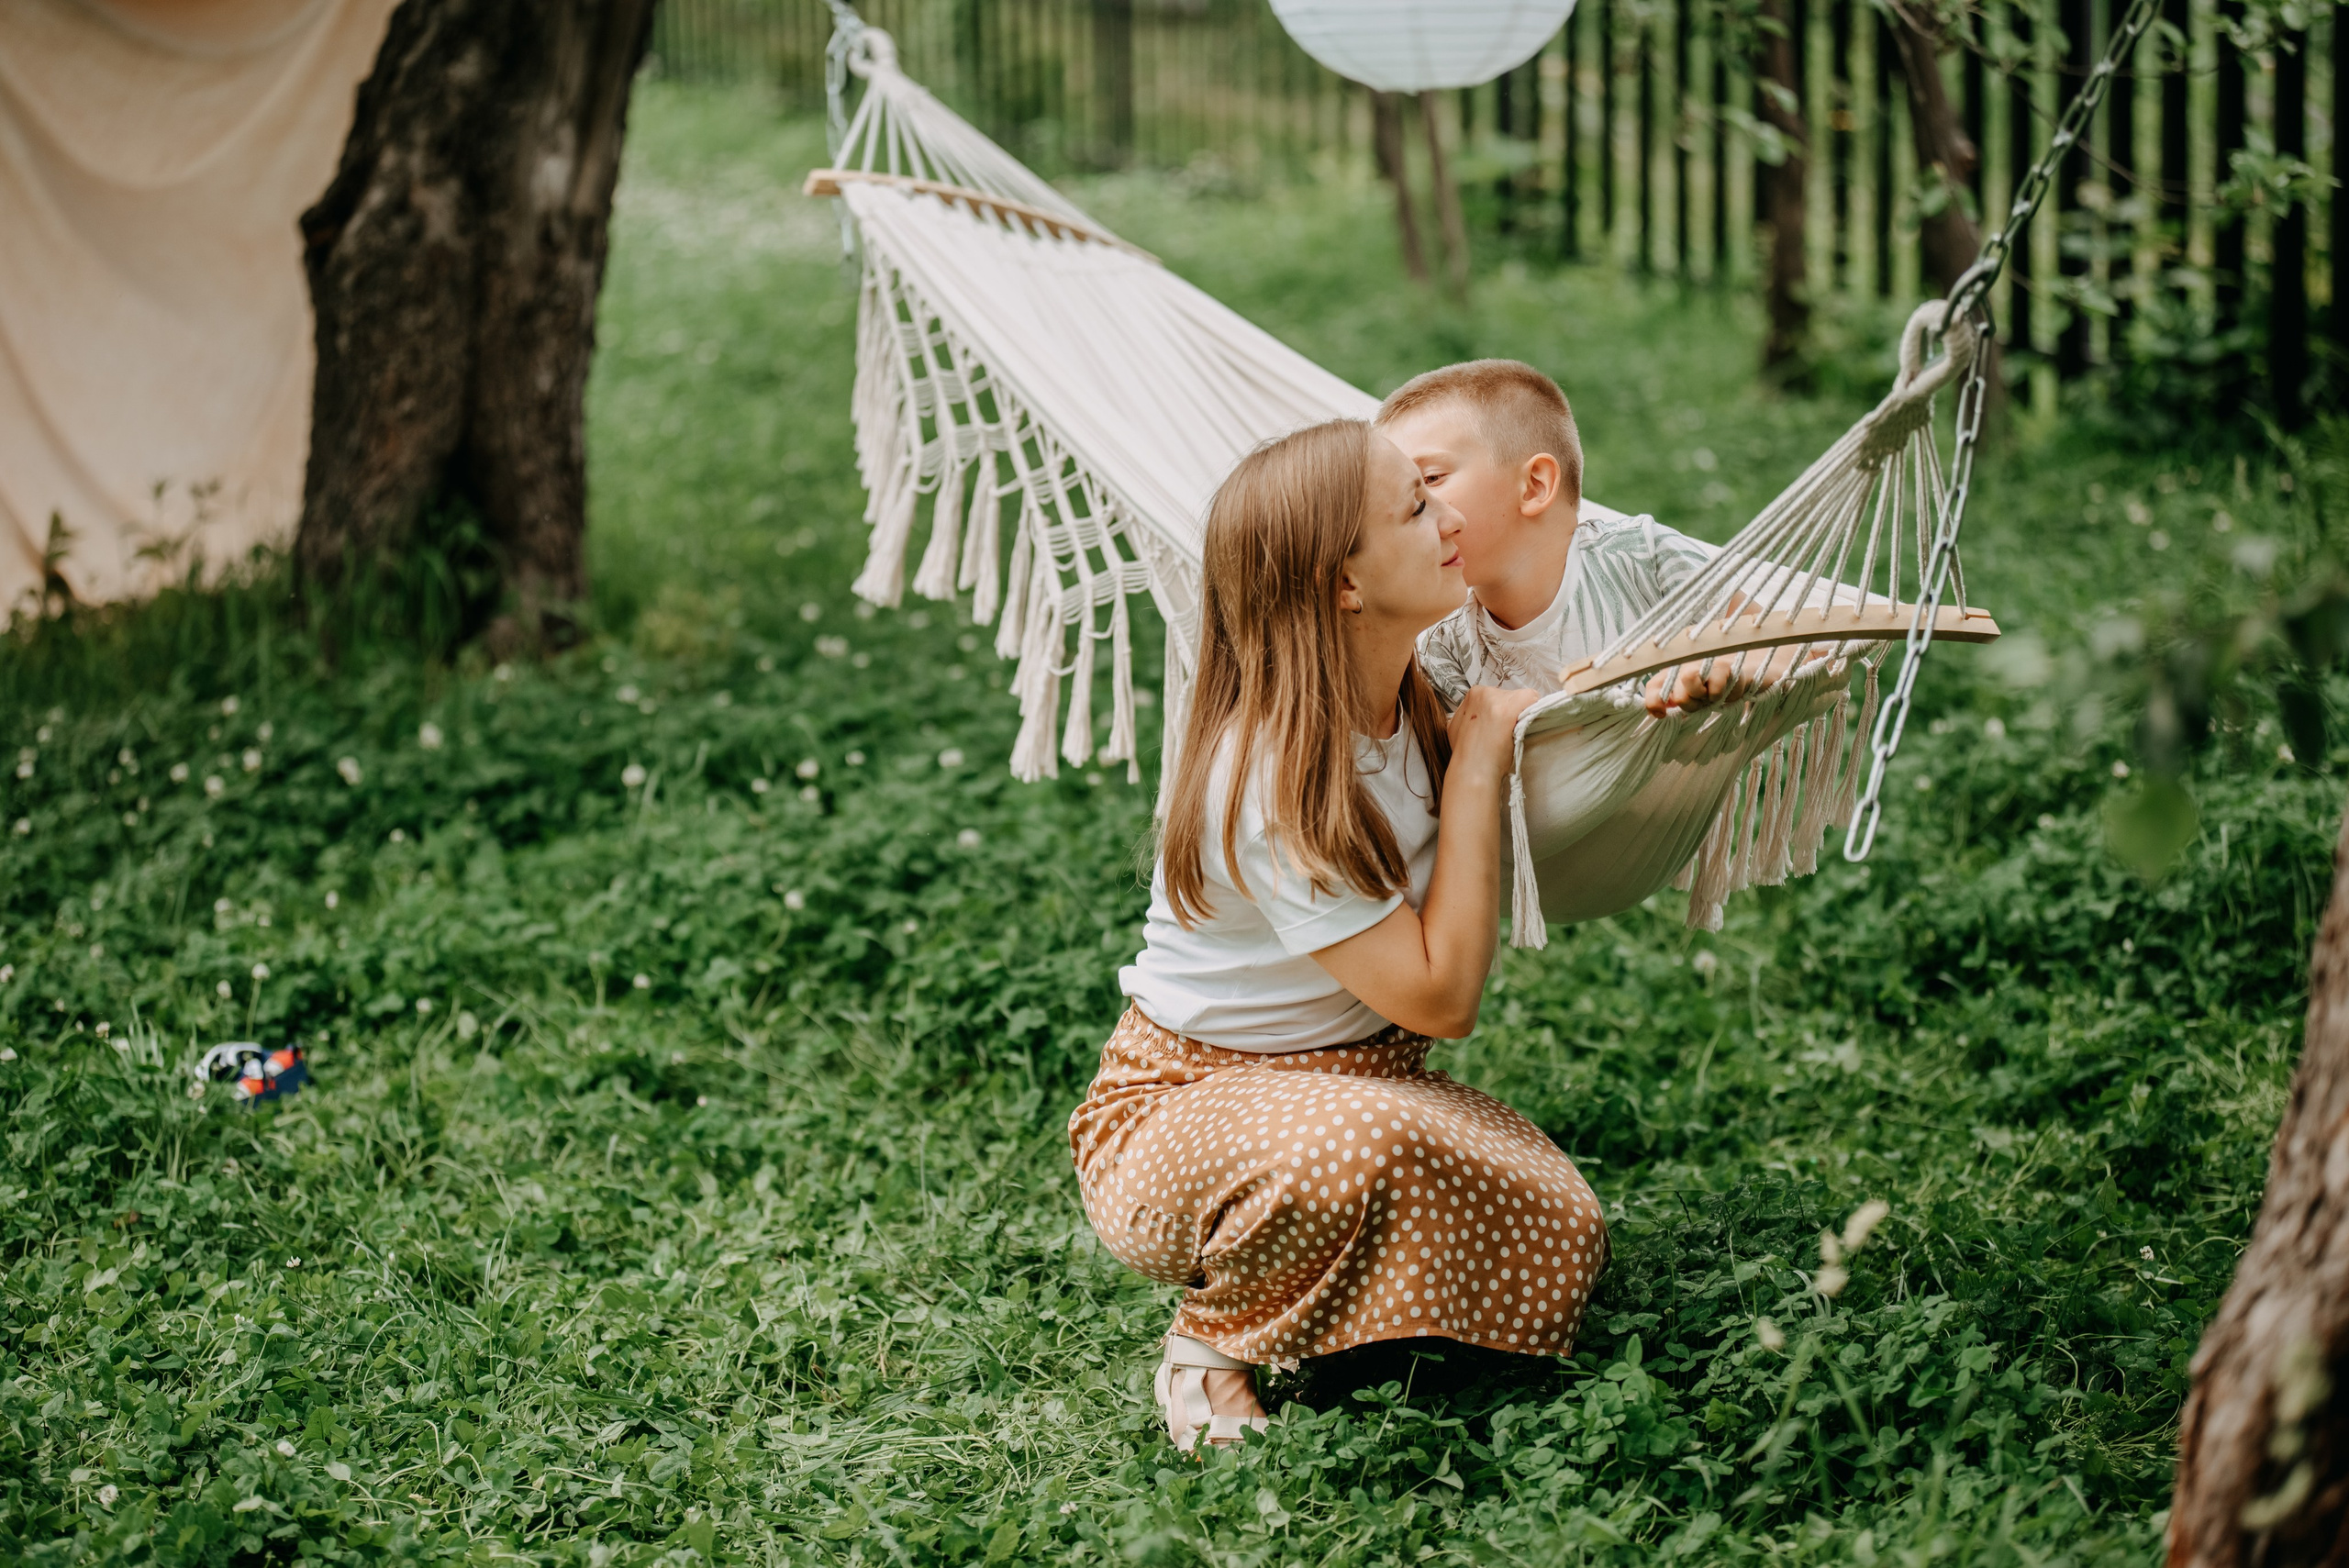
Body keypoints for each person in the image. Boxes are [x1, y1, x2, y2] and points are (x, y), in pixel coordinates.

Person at [1066, 417, 1609, 1452]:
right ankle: (1209, 1346)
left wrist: (1685, 695)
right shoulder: (1270, 770)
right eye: (1415, 507)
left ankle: (1335, 1308)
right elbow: (1442, 1000)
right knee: (1350, 1150)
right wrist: (1478, 767)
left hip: (1366, 1080)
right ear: (1345, 586)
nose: (1451, 516)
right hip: (1179, 1106)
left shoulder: (1413, 678)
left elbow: (1588, 673)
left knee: (1564, 1229)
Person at [1377, 359, 1754, 717]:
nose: (1414, 508)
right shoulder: (1444, 649)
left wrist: (1731, 666)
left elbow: (1798, 645)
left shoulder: (1643, 557)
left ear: (1534, 486)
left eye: (1430, 480)